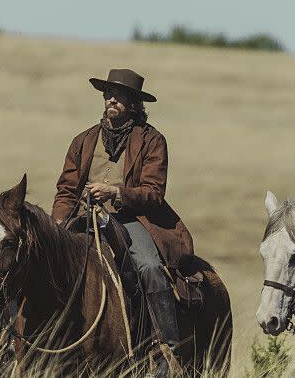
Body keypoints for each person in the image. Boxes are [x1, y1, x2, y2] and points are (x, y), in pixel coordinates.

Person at [52, 68, 193, 377]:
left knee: (150, 267)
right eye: (108, 94)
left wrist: (116, 193)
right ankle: (19, 344)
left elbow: (154, 193)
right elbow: (66, 190)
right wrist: (58, 225)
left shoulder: (152, 140)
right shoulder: (84, 139)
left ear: (134, 103)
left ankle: (168, 350)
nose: (111, 99)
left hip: (130, 219)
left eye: (120, 95)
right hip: (83, 217)